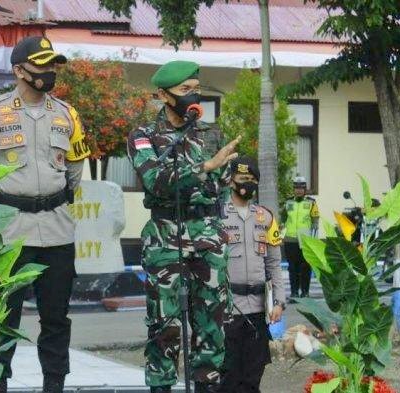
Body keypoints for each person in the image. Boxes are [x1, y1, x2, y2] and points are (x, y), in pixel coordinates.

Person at [0, 36, 90, 393]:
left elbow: (75, 171)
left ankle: (55, 385)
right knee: (1, 318)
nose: (49, 72)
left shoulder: (68, 114)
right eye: (41, 65)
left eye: (52, 65)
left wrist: (56, 197)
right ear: (19, 70)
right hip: (8, 234)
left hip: (57, 231)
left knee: (56, 320)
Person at [126, 60, 240, 393]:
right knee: (165, 327)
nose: (193, 95)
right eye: (184, 90)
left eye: (196, 88)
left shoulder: (212, 134)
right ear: (163, 95)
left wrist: (199, 174)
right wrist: (203, 168)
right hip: (164, 241)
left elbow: (220, 183)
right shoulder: (144, 136)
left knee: (212, 325)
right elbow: (155, 180)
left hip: (208, 238)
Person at [220, 157, 285, 393]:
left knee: (252, 377)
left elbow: (274, 264)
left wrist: (278, 301)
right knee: (227, 377)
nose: (248, 184)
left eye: (252, 180)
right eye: (243, 179)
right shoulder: (218, 217)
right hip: (227, 310)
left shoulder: (266, 217)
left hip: (257, 311)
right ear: (230, 181)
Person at [281, 176, 319, 299]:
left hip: (305, 239)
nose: (298, 190)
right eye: (296, 188)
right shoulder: (287, 202)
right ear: (293, 189)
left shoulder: (311, 202)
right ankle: (294, 293)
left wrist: (313, 240)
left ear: (305, 189)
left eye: (301, 188)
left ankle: (305, 292)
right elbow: (282, 220)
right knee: (292, 268)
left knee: (305, 267)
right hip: (290, 239)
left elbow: (315, 222)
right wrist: (281, 236)